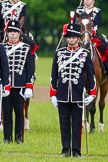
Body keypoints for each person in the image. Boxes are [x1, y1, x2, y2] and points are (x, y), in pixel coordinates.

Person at [50, 23, 96, 158]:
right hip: (62, 94)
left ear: (78, 38)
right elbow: (54, 75)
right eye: (69, 37)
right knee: (64, 123)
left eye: (73, 37)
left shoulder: (84, 54)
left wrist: (92, 94)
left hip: (77, 94)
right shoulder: (59, 53)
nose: (71, 40)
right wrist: (53, 94)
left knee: (77, 123)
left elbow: (91, 75)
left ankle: (76, 151)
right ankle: (65, 150)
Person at [2, 20, 35, 144]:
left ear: (19, 33)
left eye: (15, 32)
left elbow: (30, 68)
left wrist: (29, 86)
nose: (12, 34)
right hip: (6, 86)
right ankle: (7, 138)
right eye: (10, 32)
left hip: (20, 86)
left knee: (19, 113)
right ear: (7, 33)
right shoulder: (2, 47)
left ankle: (19, 137)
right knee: (6, 112)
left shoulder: (26, 48)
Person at [73, 0, 108, 74]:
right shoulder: (78, 10)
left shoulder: (97, 11)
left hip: (93, 34)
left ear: (93, 1)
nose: (87, 1)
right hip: (79, 35)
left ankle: (105, 68)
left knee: (104, 46)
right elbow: (74, 23)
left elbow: (97, 23)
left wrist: (93, 31)